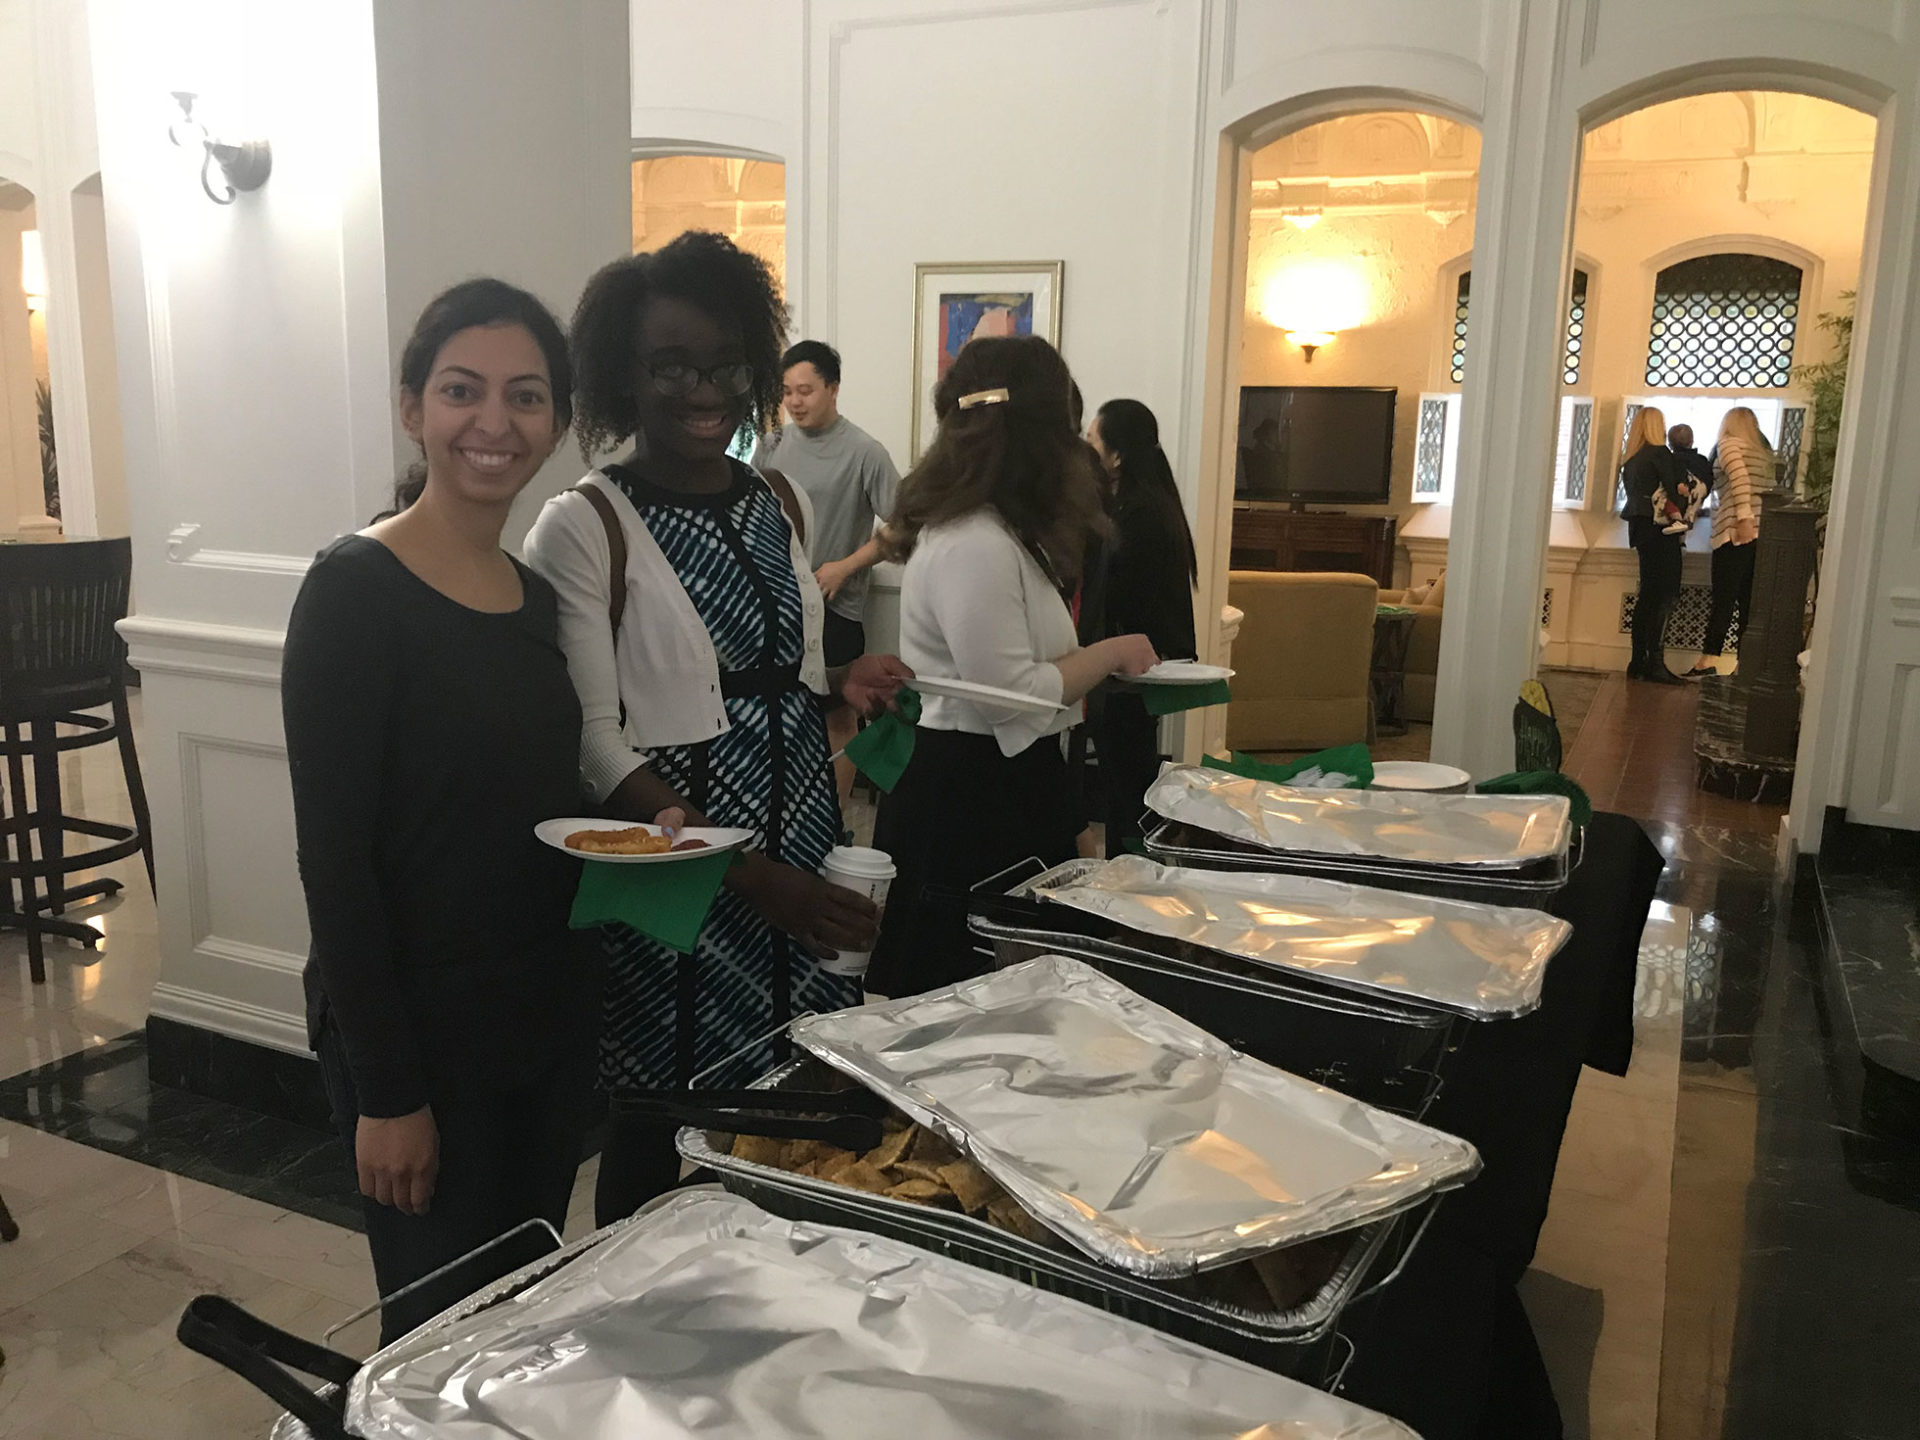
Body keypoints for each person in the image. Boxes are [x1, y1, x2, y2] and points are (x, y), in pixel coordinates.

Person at [523, 232, 909, 1227]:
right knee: (663, 1118)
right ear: (624, 373)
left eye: (726, 365)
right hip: (679, 871)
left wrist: (848, 681)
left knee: (793, 1103)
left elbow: (792, 671)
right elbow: (595, 744)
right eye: (670, 364)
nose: (703, 389)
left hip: (804, 844)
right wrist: (740, 873)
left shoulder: (772, 496)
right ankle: (634, 1324)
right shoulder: (585, 523)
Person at [284, 279, 608, 1344]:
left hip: (539, 1023)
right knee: (434, 1337)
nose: (494, 422)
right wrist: (387, 1093)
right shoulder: (354, 591)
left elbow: (531, 810)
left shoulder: (535, 600)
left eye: (525, 398)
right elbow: (338, 863)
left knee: (517, 1323)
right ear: (412, 407)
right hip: (420, 1040)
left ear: (556, 423)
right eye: (462, 390)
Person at [864, 336, 1158, 999]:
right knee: (968, 999)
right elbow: (1014, 698)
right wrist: (1112, 654)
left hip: (998, 785)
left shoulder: (995, 533)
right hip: (969, 798)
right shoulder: (974, 543)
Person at [751, 340, 902, 794]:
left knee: (837, 714)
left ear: (833, 390)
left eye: (806, 390)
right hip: (777, 603)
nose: (795, 402)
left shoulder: (863, 451)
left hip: (836, 606)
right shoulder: (771, 445)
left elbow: (905, 527)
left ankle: (836, 824)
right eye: (787, 392)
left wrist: (845, 567)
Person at [1087, 398, 1198, 855]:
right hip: (1133, 668)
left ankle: (1129, 867)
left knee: (1126, 783)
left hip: (1131, 672)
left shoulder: (1138, 514)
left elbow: (1117, 592)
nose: (1086, 449)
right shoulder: (1144, 505)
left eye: (1093, 441)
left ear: (1116, 455)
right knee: (1127, 776)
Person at [1689, 407, 1773, 676]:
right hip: (1762, 533)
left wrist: (1744, 518)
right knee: (1748, 600)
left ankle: (1708, 659)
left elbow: (1739, 482)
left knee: (1723, 599)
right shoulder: (1761, 453)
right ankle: (1744, 663)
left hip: (1735, 532)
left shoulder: (1729, 446)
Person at [1618, 405, 1686, 685]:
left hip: (1640, 528)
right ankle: (1655, 663)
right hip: (1661, 530)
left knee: (1647, 594)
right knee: (1665, 593)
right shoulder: (1660, 454)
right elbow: (1674, 488)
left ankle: (1637, 661)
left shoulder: (1630, 458)